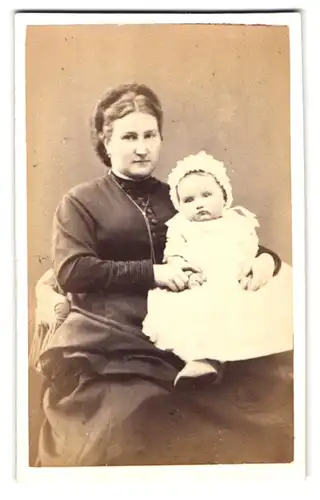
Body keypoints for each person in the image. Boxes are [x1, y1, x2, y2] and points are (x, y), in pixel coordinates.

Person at [34, 82, 293, 467]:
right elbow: (73, 271)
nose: (142, 147)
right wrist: (153, 273)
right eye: (129, 136)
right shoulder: (81, 201)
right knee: (133, 416)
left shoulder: (181, 194)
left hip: (196, 321)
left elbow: (232, 237)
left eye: (150, 135)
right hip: (112, 330)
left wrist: (265, 261)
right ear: (106, 142)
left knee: (268, 404)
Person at [142, 151, 293, 384]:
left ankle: (278, 356)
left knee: (267, 302)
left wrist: (256, 264)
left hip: (237, 279)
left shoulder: (237, 221)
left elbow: (253, 249)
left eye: (206, 195)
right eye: (189, 200)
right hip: (203, 282)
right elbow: (174, 256)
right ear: (179, 205)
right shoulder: (181, 227)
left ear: (224, 196)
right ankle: (202, 362)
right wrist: (185, 272)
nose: (199, 204)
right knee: (197, 313)